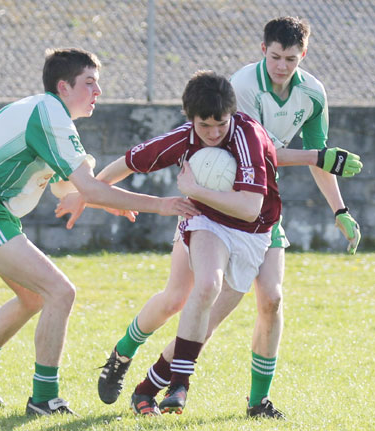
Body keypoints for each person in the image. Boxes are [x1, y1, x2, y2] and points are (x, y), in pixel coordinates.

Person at [84, 16, 363, 419]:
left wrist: (339, 209)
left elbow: (277, 158)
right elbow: (265, 150)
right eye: (275, 56)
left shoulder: (311, 95)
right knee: (179, 298)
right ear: (262, 50)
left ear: (303, 55)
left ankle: (248, 400)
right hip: (211, 210)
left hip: (259, 208)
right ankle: (125, 359)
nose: (282, 66)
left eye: (291, 58)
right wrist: (89, 193)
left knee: (270, 298)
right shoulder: (240, 91)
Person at [0, 47, 199, 417]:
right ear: (63, 86)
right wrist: (163, 204)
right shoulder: (50, 114)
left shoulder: (43, 111)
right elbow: (88, 188)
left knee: (34, 298)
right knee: (60, 292)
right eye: (90, 83)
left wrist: (102, 200)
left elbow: (72, 188)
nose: (98, 92)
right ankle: (44, 398)